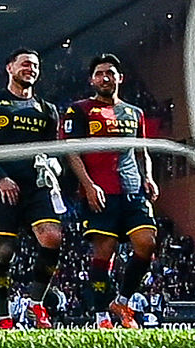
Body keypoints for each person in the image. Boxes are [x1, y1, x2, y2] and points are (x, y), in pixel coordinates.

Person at [0, 47, 64, 329]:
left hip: (36, 186)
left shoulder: (47, 110)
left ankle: (36, 303)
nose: (30, 69)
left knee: (52, 237)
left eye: (34, 66)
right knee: (4, 251)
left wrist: (53, 172)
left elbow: (50, 150)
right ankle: (2, 313)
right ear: (9, 68)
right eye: (24, 64)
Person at [61, 53, 158, 329]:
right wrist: (88, 185)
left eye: (110, 73)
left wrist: (148, 177)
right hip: (100, 192)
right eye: (100, 73)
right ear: (92, 79)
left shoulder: (134, 113)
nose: (106, 78)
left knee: (147, 243)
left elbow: (142, 151)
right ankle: (101, 316)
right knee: (105, 251)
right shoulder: (79, 110)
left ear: (120, 78)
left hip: (132, 191)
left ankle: (123, 300)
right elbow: (72, 151)